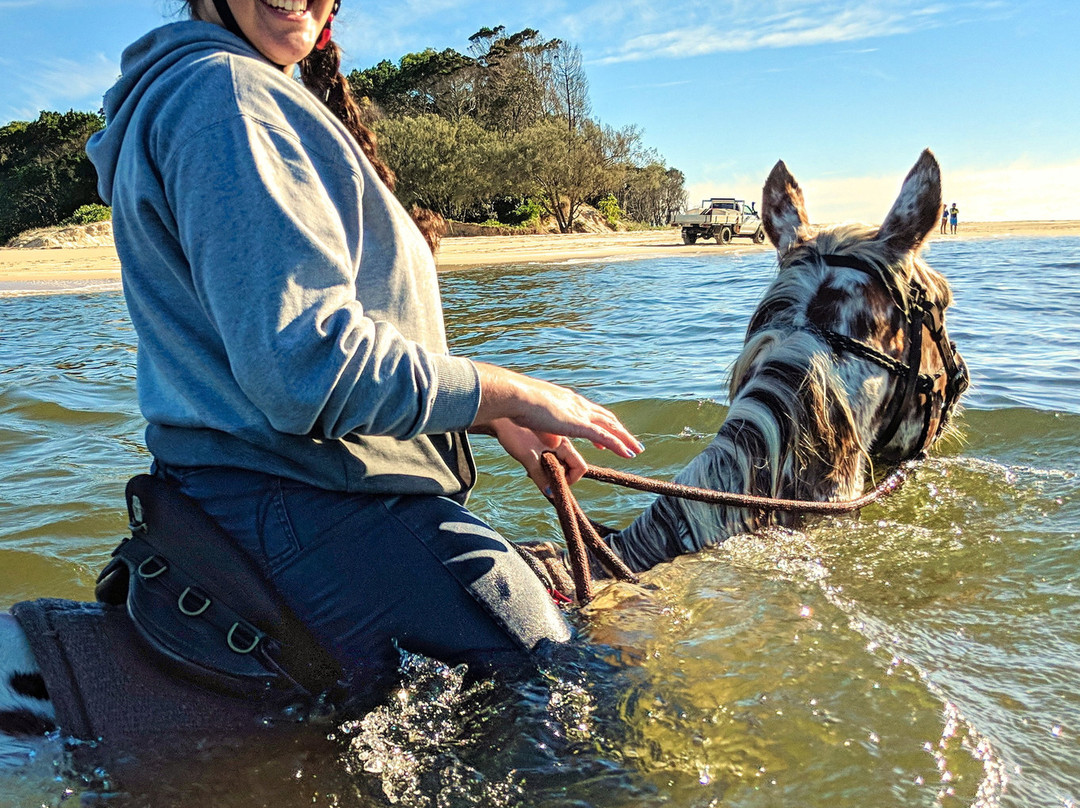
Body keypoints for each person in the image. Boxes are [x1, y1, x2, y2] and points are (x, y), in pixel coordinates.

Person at [86, 0, 643, 694]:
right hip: (305, 493)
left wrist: (491, 415)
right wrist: (518, 392)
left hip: (255, 487)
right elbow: (305, 368)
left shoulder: (217, 89)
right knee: (572, 690)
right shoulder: (227, 95)